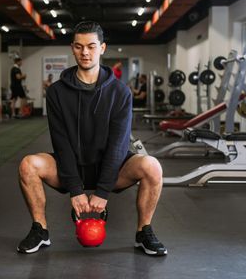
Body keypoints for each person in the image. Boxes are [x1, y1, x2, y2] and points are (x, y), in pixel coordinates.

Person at [17, 21, 167, 256]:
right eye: (78, 47)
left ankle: (143, 232)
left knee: (152, 166)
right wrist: (75, 190)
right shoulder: (56, 92)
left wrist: (103, 191)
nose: (84, 52)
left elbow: (118, 145)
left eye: (91, 46)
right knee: (28, 165)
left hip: (112, 169)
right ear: (72, 48)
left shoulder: (120, 92)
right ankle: (40, 230)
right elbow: (61, 141)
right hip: (71, 168)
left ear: (102, 48)